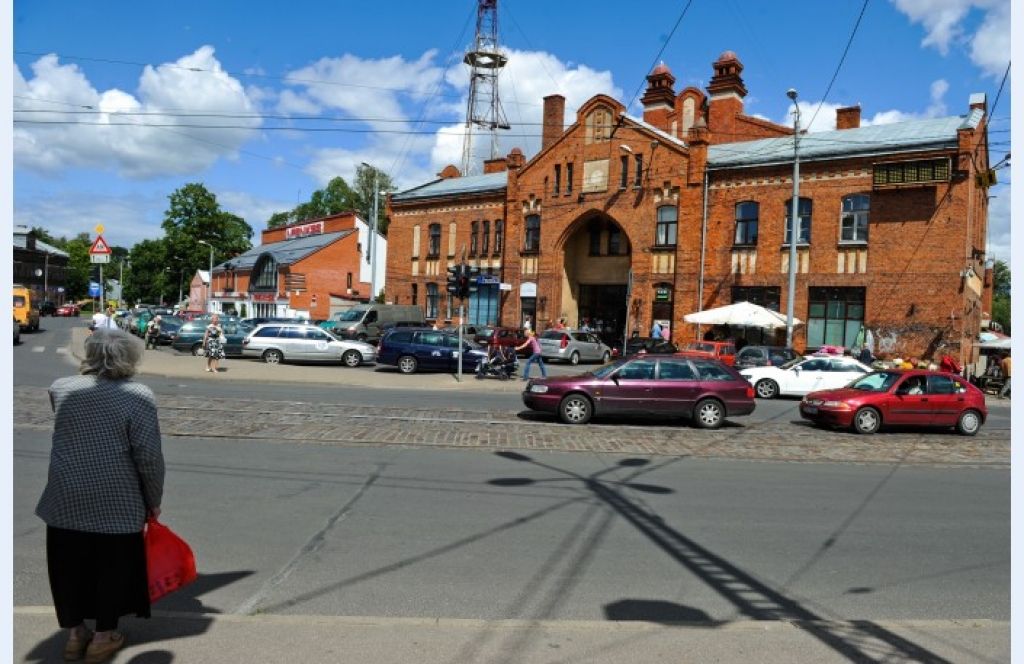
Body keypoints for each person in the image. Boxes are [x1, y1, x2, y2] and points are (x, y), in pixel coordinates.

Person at [36, 328, 164, 663]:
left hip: (64, 495)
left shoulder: (61, 388)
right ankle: (104, 637)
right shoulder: (139, 395)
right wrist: (153, 499)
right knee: (113, 567)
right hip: (117, 499)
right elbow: (148, 456)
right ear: (130, 357)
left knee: (67, 565)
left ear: (89, 355)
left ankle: (76, 635)